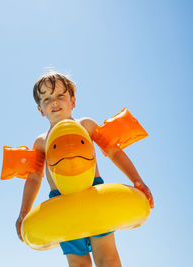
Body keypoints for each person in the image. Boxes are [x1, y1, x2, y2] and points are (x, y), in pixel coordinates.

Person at [15, 71, 154, 267]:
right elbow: (34, 178)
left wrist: (137, 179)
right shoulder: (40, 142)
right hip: (61, 201)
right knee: (78, 263)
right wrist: (23, 212)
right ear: (40, 110)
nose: (54, 102)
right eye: (46, 98)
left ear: (73, 101)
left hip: (93, 193)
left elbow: (114, 151)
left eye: (60, 95)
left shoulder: (86, 125)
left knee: (108, 257)